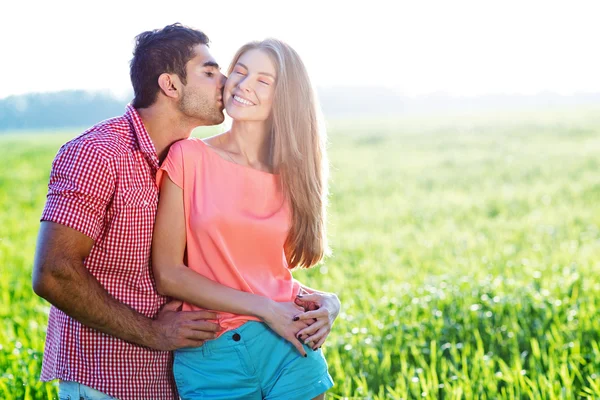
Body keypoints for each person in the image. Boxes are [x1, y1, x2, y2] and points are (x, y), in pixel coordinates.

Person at [31, 24, 227, 399]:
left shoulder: (194, 162)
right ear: (170, 85)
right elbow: (53, 272)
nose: (226, 81)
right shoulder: (98, 153)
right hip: (106, 380)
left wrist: (309, 301)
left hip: (180, 380)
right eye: (209, 71)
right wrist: (154, 333)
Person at [152, 38, 338, 400]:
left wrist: (329, 302)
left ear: (286, 98)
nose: (244, 84)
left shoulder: (292, 176)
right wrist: (267, 309)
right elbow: (168, 274)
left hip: (288, 347)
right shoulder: (188, 157)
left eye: (263, 80)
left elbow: (263, 274)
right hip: (214, 354)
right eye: (240, 70)